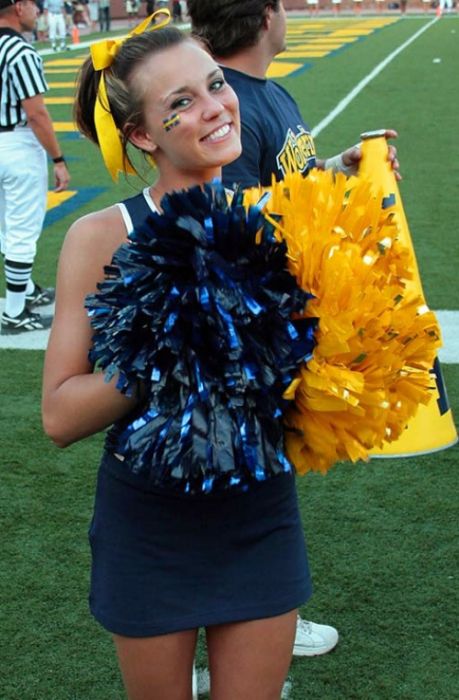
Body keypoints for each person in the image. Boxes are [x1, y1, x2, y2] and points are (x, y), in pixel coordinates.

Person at [42, 20, 313, 699]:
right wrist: (167, 337)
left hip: (260, 512)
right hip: (149, 524)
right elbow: (58, 415)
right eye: (179, 104)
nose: (215, 107)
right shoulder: (101, 237)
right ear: (142, 136)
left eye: (215, 85)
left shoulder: (276, 220)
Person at [188, 0, 400, 657]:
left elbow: (290, 186)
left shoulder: (267, 91)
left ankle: (262, 617)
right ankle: (243, 624)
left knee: (261, 482)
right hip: (243, 328)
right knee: (236, 485)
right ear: (262, 16)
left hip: (277, 318)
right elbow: (232, 217)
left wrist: (334, 173)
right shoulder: (225, 101)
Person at [0, 0, 70, 335]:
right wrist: (58, 159)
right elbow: (37, 114)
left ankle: (25, 290)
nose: (38, 11)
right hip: (16, 145)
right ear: (18, 7)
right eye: (33, 5)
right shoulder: (20, 52)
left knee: (6, 225)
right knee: (22, 230)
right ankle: (14, 312)